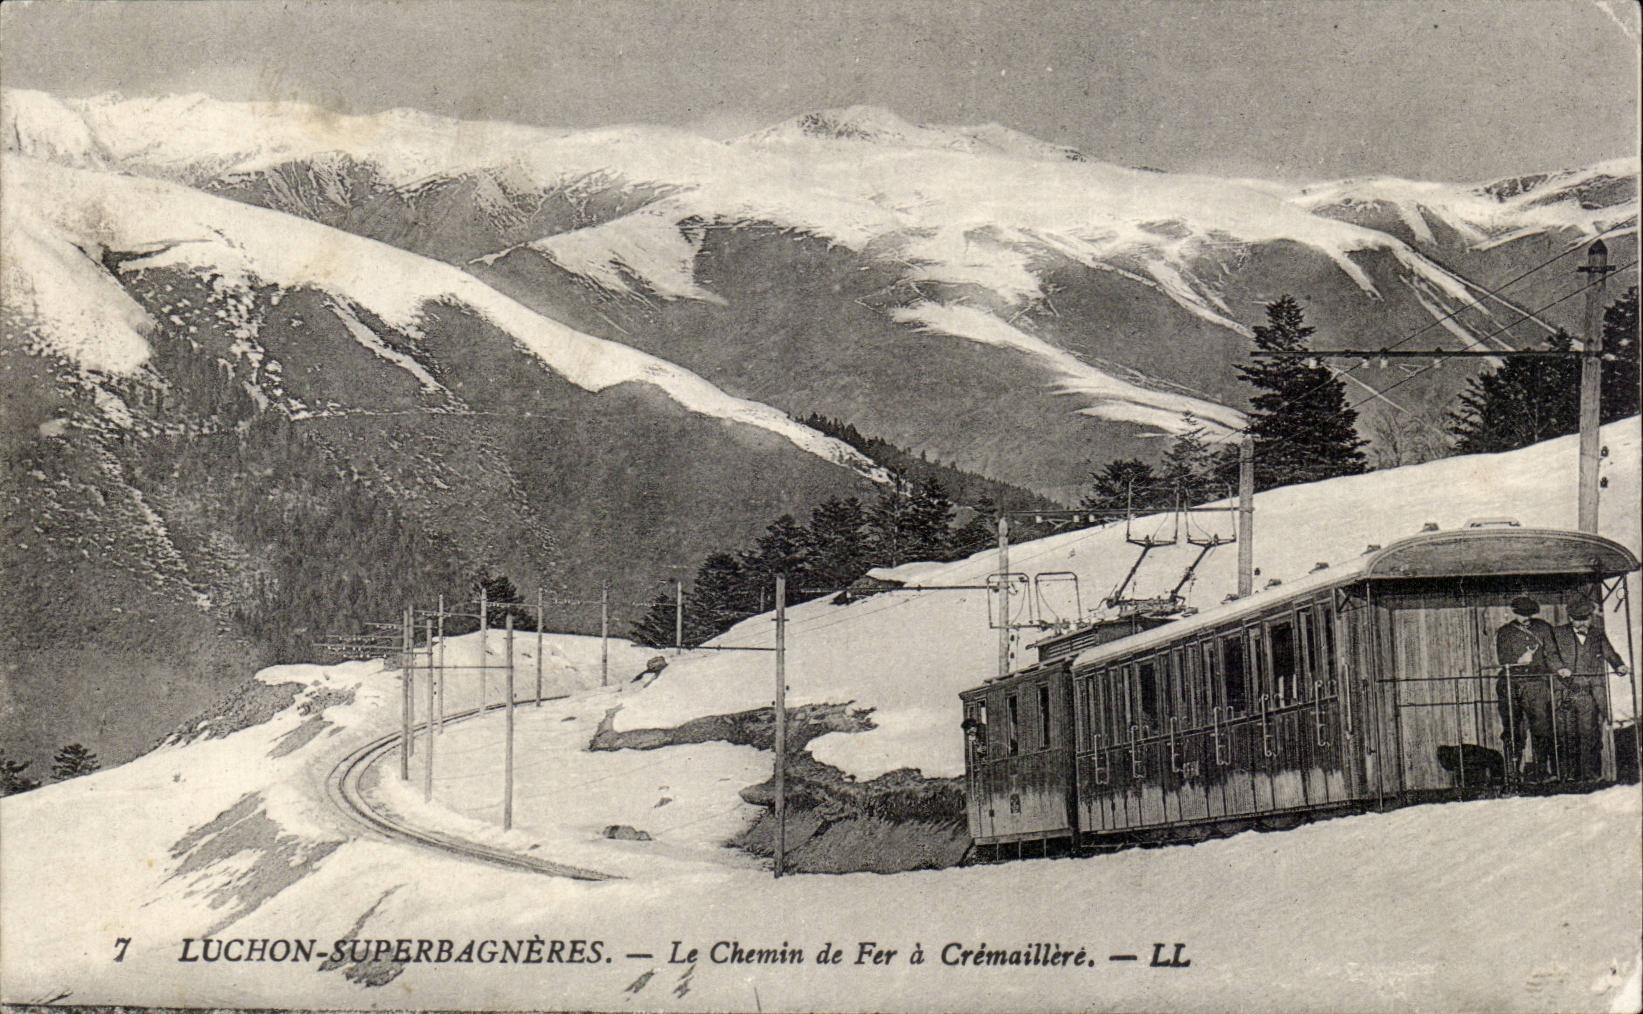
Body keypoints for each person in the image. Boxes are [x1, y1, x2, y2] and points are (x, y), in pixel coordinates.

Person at [1549, 598, 1629, 781]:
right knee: (1566, 735)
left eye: (1586, 618)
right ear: (1570, 618)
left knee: (1590, 734)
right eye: (1578, 619)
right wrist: (1559, 668)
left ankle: (1591, 776)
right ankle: (1568, 776)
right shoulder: (1557, 633)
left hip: (1588, 692)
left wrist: (1619, 666)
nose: (1583, 623)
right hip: (1565, 691)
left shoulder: (1597, 634)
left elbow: (1609, 653)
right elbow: (1550, 654)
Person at [1494, 596, 1559, 781]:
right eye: (1522, 614)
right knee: (1513, 729)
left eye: (1529, 614)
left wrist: (1559, 668)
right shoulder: (1505, 632)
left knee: (1542, 728)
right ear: (1514, 613)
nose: (1526, 618)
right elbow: (1503, 659)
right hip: (1511, 684)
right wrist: (1518, 661)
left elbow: (1552, 653)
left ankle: (1541, 771)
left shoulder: (1543, 628)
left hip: (1536, 684)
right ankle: (1513, 773)